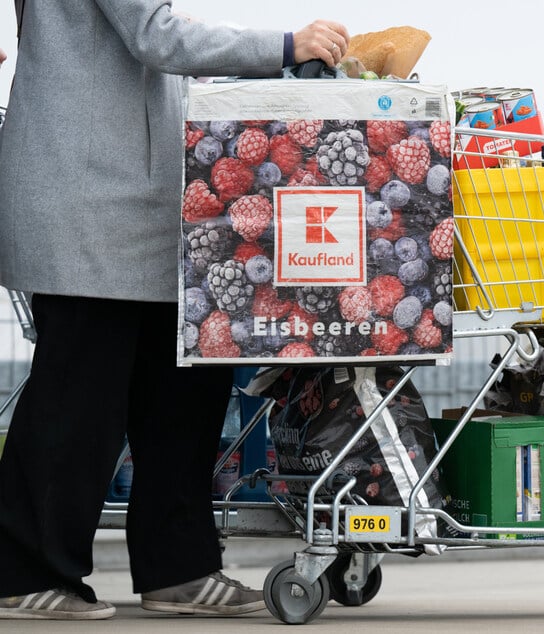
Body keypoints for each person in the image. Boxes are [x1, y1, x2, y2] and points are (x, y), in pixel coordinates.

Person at [0, 1, 349, 621]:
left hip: (143, 202)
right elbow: (156, 36)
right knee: (80, 396)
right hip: (90, 197)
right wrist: (287, 44)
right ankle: (25, 571)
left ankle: (178, 568)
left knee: (184, 390)